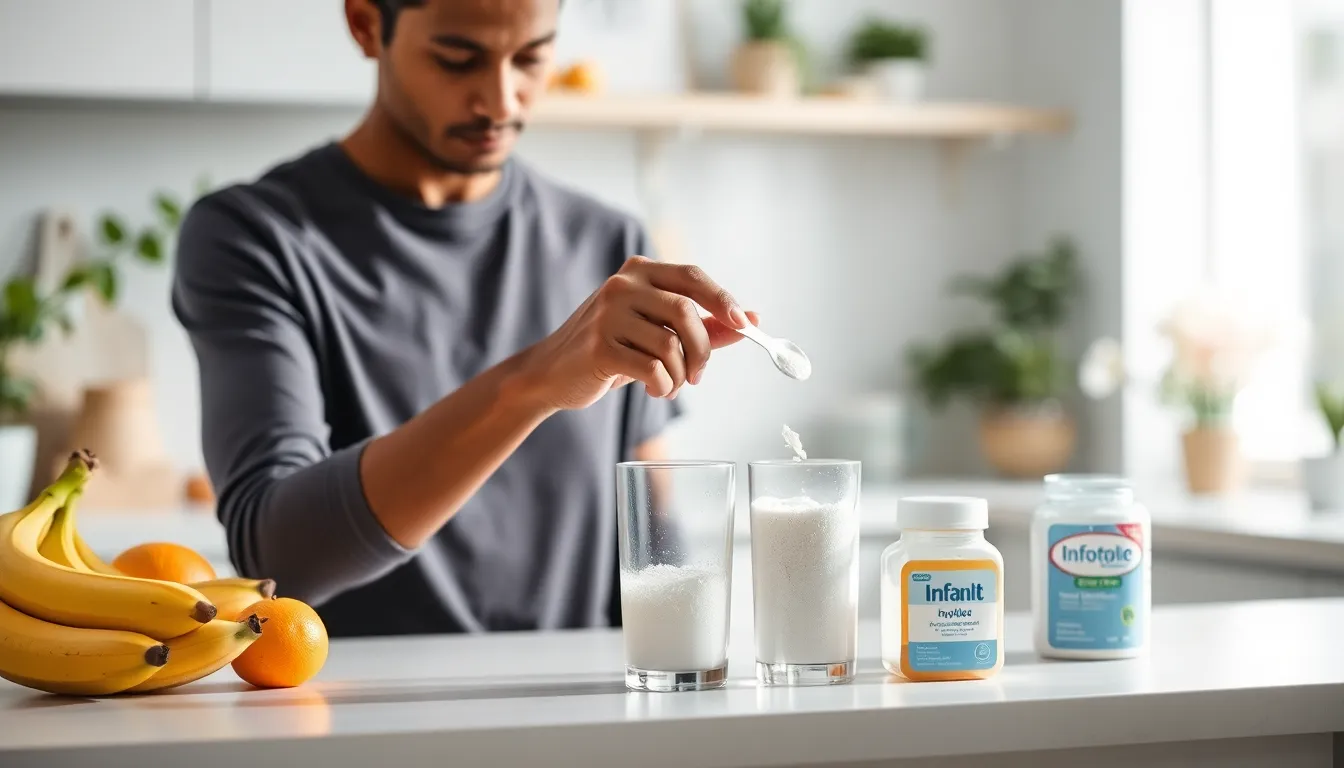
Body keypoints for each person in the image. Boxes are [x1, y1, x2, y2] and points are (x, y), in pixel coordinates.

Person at [171, 0, 756, 637]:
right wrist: (533, 384)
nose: (502, 101)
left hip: (581, 716)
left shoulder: (606, 244)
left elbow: (652, 524)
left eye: (531, 57)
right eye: (458, 59)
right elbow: (277, 555)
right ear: (367, 25)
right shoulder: (255, 237)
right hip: (357, 721)